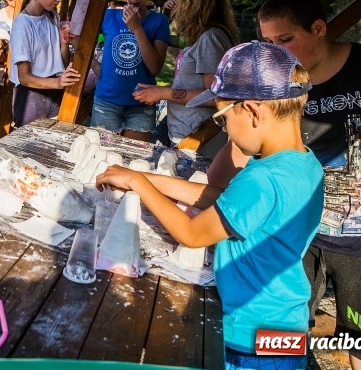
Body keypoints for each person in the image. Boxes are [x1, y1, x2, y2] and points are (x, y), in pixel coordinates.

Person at [209, 0, 361, 370]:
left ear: (319, 28)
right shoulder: (276, 83)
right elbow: (244, 141)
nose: (276, 52)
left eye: (285, 39)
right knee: (282, 337)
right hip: (295, 234)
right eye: (267, 41)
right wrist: (210, 188)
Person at [97, 41, 323, 370]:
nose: (224, 129)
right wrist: (144, 179)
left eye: (222, 119)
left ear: (254, 112)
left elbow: (191, 233)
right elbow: (226, 201)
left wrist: (139, 184)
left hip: (250, 336)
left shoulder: (261, 180)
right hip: (286, 323)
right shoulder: (303, 165)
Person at [133, 0, 239, 157]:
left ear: (195, 4)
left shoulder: (210, 39)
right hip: (183, 129)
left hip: (196, 137)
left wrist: (163, 93)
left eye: (182, 1)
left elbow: (216, 96)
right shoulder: (203, 35)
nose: (179, 7)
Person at [88, 0, 170, 141]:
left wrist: (138, 29)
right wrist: (96, 66)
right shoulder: (108, 16)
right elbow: (83, 43)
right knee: (101, 156)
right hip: (106, 101)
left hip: (140, 104)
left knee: (134, 160)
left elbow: (155, 67)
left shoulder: (159, 21)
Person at [9, 0, 80, 127]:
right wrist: (58, 83)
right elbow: (24, 77)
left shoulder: (52, 16)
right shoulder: (23, 24)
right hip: (31, 96)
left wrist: (64, 44)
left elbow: (62, 63)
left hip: (53, 92)